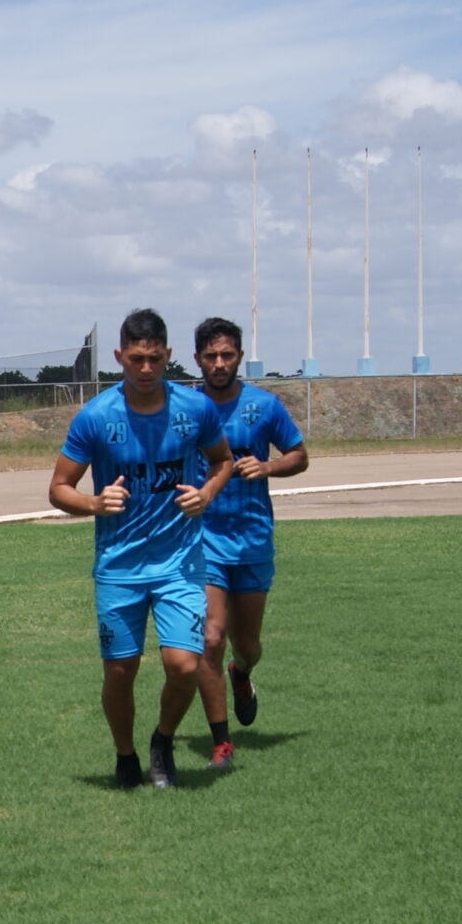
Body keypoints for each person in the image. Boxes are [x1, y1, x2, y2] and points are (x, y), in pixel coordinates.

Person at [47, 309, 235, 790]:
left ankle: (163, 740)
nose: (146, 368)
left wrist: (206, 494)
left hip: (180, 563)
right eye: (136, 359)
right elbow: (58, 489)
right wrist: (94, 502)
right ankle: (125, 756)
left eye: (155, 358)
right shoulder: (96, 417)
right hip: (119, 567)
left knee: (185, 665)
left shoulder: (195, 409)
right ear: (119, 357)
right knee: (120, 670)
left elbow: (223, 462)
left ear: (169, 355)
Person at [190, 317, 309, 750]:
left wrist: (267, 466)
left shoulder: (265, 405)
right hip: (203, 538)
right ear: (198, 359)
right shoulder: (186, 408)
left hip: (253, 537)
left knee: (248, 645)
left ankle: (241, 674)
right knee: (210, 638)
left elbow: (299, 455)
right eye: (211, 356)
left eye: (227, 355)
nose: (219, 363)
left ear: (240, 356)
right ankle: (221, 740)